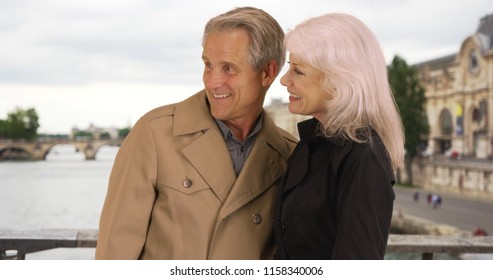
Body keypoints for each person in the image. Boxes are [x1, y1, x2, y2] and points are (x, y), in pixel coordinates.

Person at [95, 6, 297, 260]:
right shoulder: (154, 134)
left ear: (267, 73)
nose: (212, 81)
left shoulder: (290, 153)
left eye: (228, 68)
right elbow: (115, 249)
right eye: (208, 65)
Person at [274, 13, 405, 259]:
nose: (284, 80)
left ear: (340, 80)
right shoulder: (314, 143)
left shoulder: (363, 156)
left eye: (298, 71)